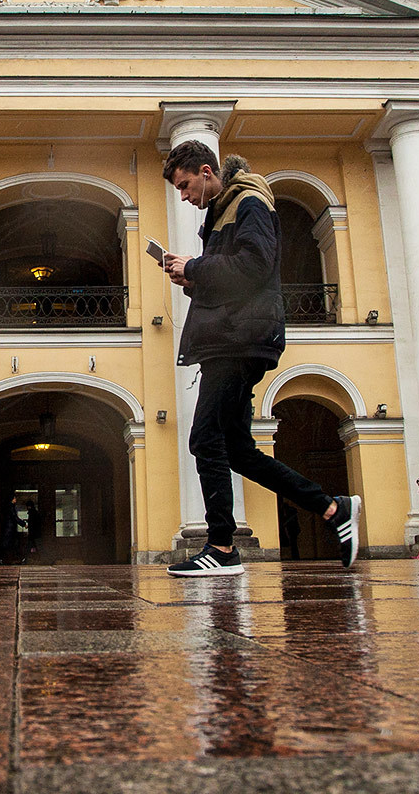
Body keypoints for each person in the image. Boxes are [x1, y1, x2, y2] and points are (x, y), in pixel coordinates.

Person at [159, 141, 361, 577]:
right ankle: (331, 508)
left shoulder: (248, 202)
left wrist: (194, 267)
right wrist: (192, 278)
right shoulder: (227, 209)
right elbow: (238, 277)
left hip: (238, 340)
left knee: (205, 440)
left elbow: (254, 266)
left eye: (186, 185)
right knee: (238, 451)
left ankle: (221, 547)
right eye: (179, 189)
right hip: (232, 335)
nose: (184, 195)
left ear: (207, 172)